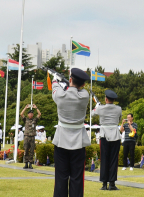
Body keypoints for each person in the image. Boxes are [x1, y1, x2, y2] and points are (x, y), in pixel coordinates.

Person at [51, 68, 90, 197]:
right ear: (83, 84)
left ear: (71, 79)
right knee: (77, 178)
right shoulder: (84, 96)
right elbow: (76, 89)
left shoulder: (60, 95)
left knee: (61, 177)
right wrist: (70, 83)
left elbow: (55, 85)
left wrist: (56, 79)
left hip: (61, 139)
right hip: (78, 141)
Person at [93, 89, 122, 191]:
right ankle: (112, 184)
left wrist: (97, 107)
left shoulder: (100, 108)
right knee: (114, 160)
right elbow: (119, 119)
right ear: (113, 100)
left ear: (106, 99)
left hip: (104, 135)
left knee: (104, 159)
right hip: (115, 134)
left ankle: (104, 184)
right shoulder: (119, 109)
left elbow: (92, 115)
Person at [21, 103, 42, 169]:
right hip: (27, 136)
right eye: (30, 113)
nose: (31, 114)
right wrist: (25, 108)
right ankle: (26, 163)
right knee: (26, 150)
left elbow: (39, 114)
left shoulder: (34, 120)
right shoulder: (26, 119)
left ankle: (30, 163)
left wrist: (36, 108)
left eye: (32, 114)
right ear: (28, 114)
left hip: (32, 136)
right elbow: (21, 114)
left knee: (32, 151)